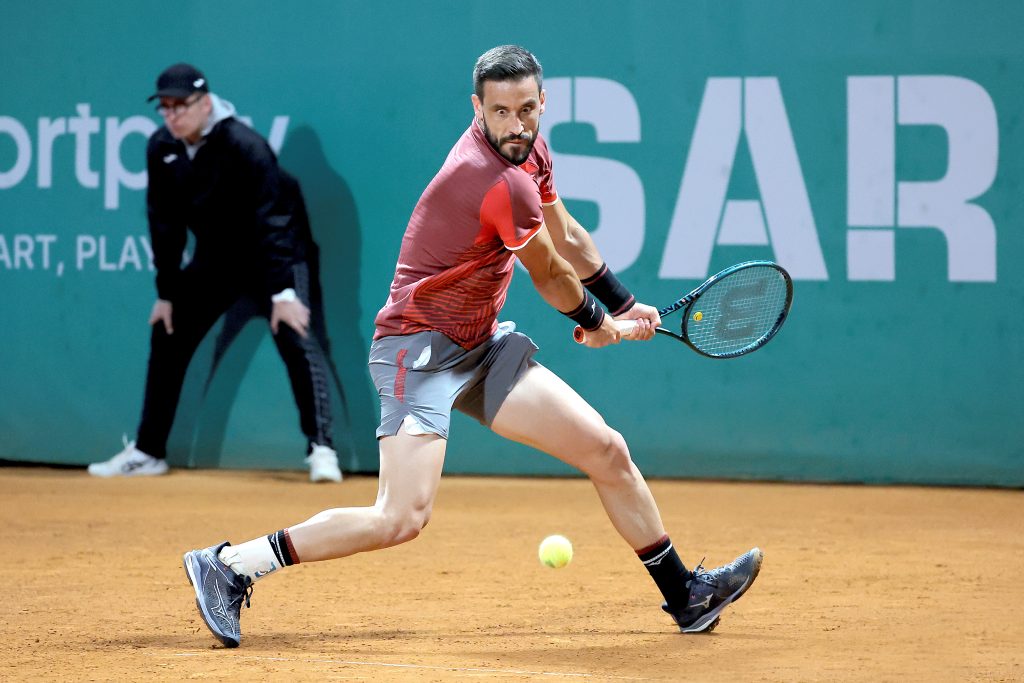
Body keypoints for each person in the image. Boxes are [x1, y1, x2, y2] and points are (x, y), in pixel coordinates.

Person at [181, 45, 762, 648]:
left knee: (606, 450)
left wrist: (619, 302)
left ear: (543, 103)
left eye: (527, 109)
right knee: (400, 517)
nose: (517, 124)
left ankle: (685, 596)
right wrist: (598, 324)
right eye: (502, 111)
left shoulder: (530, 148)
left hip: (479, 344)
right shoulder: (493, 179)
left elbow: (567, 234)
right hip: (416, 349)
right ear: (477, 107)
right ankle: (230, 565)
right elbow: (550, 275)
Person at [87, 63, 342, 483]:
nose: (172, 115)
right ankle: (148, 452)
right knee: (166, 330)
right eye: (164, 108)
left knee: (296, 333)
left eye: (180, 105)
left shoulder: (246, 145)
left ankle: (321, 449)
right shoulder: (160, 148)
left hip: (273, 256)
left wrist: (282, 293)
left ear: (205, 104)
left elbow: (274, 220)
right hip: (216, 261)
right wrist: (167, 293)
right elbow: (163, 223)